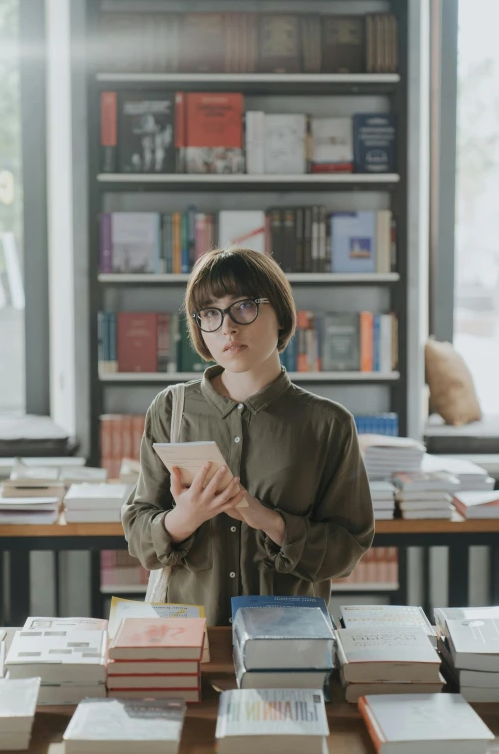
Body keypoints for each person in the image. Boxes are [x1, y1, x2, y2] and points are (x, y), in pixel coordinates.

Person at [122, 247, 374, 625]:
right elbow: (139, 533)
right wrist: (185, 518)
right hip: (191, 637)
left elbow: (348, 548)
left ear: (282, 316)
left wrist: (268, 520)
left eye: (243, 306)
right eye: (210, 313)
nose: (228, 327)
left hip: (288, 638)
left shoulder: (328, 424)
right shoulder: (171, 409)